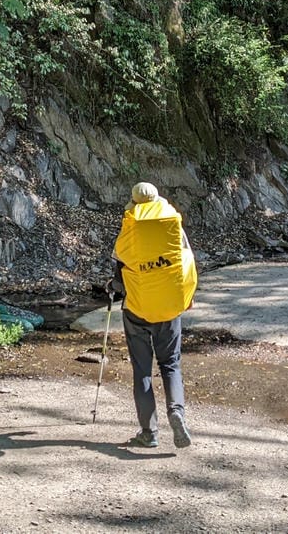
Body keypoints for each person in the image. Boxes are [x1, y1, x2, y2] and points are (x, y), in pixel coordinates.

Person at [109, 181, 198, 449]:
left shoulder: (130, 229)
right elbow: (187, 264)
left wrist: (114, 287)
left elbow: (119, 271)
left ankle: (149, 433)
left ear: (134, 204)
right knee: (170, 364)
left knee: (142, 370)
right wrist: (187, 297)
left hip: (137, 310)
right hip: (169, 308)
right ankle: (176, 412)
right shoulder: (173, 227)